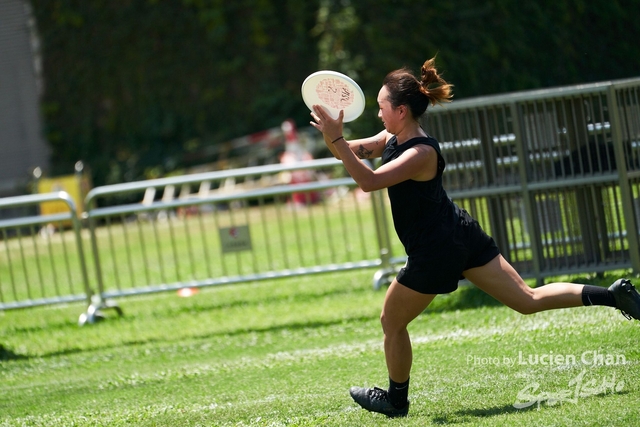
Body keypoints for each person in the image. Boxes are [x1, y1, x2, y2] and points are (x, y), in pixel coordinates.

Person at [309, 56, 640, 418]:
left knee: (391, 320)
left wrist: (336, 138)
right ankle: (614, 295)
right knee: (527, 299)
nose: (378, 114)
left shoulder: (420, 152)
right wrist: (331, 130)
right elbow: (347, 151)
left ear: (401, 111)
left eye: (381, 106)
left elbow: (368, 181)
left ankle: (396, 401)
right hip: (459, 233)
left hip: (436, 249)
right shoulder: (391, 137)